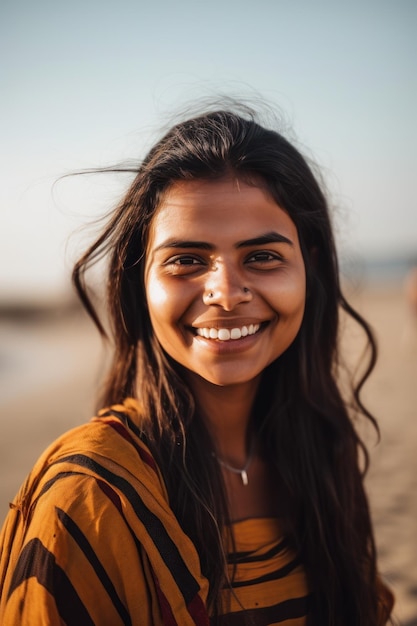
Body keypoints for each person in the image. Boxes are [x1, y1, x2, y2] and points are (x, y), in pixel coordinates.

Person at [0, 106, 394, 625]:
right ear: (140, 280)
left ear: (310, 266)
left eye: (262, 256)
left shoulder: (324, 451)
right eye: (187, 259)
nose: (226, 294)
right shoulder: (88, 500)